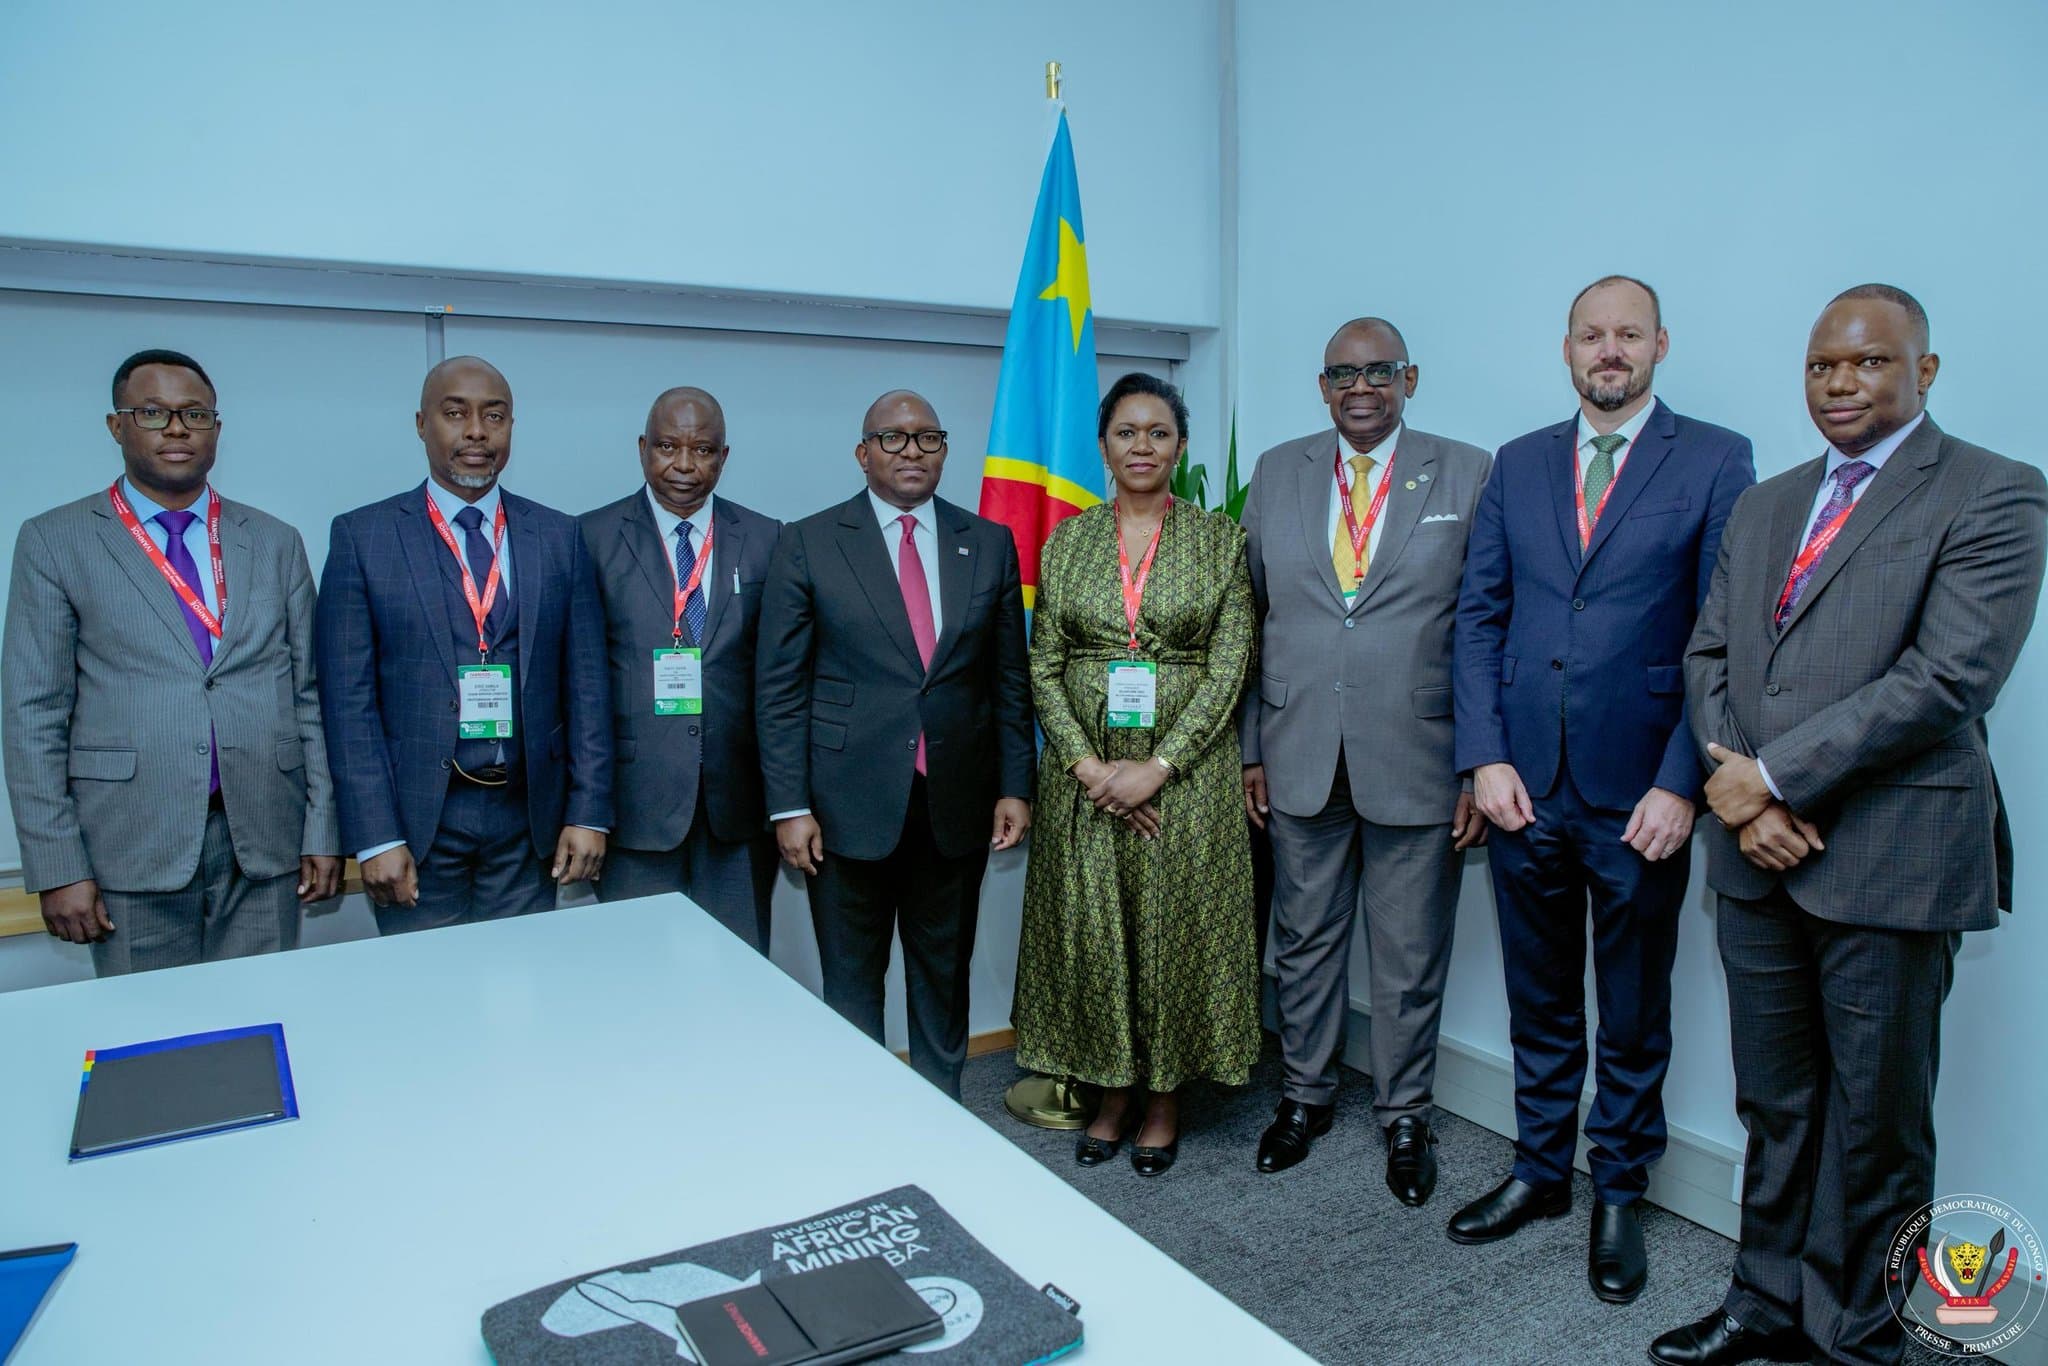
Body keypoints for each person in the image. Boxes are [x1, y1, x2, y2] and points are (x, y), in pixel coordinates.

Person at [1658, 286, 2047, 1366]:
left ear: (1924, 371)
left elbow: (1945, 677)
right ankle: (1764, 1304)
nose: (1839, 384)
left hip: (1889, 855)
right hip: (1755, 861)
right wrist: (1742, 792)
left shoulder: (1992, 493)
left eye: (1869, 363)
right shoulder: (1765, 503)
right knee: (1773, 1102)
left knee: (1875, 1127)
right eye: (1821, 365)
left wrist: (1770, 779)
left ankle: (1857, 1338)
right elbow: (1707, 657)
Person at [1451, 277, 1755, 1303]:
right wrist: (1482, 755)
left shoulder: (1714, 459)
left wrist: (1687, 782)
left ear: (1659, 343)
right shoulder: (1519, 462)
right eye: (1592, 334)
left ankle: (1617, 1187)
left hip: (1643, 798)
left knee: (1629, 1010)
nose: (1608, 349)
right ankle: (1540, 1171)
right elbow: (1478, 617)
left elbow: (1721, 641)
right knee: (1538, 999)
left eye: (1627, 332)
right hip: (1521, 790)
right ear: (1566, 349)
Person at [1238, 319, 1493, 1203]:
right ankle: (1303, 1097)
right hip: (1298, 748)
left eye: (1379, 371)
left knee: (1410, 951)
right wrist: (1248, 750)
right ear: (1322, 386)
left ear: (1409, 377)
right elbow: (1250, 618)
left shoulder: (1468, 470)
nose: (1361, 387)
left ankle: (1406, 1114)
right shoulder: (1278, 472)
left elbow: (1484, 627)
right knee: (1304, 943)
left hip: (1420, 756)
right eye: (1343, 374)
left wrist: (1479, 762)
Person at [3, 349, 340, 973]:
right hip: (129, 846)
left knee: (258, 1019)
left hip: (265, 838)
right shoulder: (56, 540)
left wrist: (323, 830)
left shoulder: (274, 542)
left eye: (195, 413)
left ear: (217, 427)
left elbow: (309, 697)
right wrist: (58, 865)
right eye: (152, 412)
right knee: (147, 1040)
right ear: (116, 425)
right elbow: (33, 713)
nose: (177, 428)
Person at [1012, 373, 1259, 1177]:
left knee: (1173, 932)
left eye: (1158, 432)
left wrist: (1155, 769)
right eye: (1127, 432)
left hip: (1188, 779)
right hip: (1085, 785)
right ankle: (1109, 1091)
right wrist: (1092, 770)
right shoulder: (1069, 541)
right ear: (1104, 446)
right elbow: (1043, 664)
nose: (1142, 446)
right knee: (1096, 934)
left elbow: (1229, 670)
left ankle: (1162, 1100)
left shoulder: (1222, 542)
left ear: (1180, 445)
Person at [755, 389, 1034, 1099]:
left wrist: (1014, 785)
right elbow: (780, 687)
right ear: (863, 453)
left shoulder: (988, 542)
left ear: (944, 451)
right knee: (851, 981)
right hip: (843, 810)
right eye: (894, 438)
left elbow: (1008, 680)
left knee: (943, 977)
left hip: (956, 805)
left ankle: (943, 1114)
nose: (912, 451)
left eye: (928, 438)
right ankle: (864, 1119)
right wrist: (788, 805)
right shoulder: (809, 541)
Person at [315, 356, 611, 933]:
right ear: (422, 423)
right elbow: (347, 702)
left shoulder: (558, 536)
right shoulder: (363, 536)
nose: (476, 431)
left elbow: (588, 686)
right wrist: (375, 834)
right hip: (419, 818)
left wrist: (590, 810)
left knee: (522, 989)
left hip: (529, 820)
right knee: (426, 999)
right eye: (456, 413)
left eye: (494, 416)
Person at [580, 387, 781, 950]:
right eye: (668, 447)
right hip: (633, 809)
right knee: (636, 980)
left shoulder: (767, 539)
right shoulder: (590, 538)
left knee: (738, 977)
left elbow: (780, 683)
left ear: (724, 456)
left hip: (737, 812)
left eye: (704, 449)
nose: (685, 466)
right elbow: (580, 687)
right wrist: (585, 810)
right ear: (643, 448)